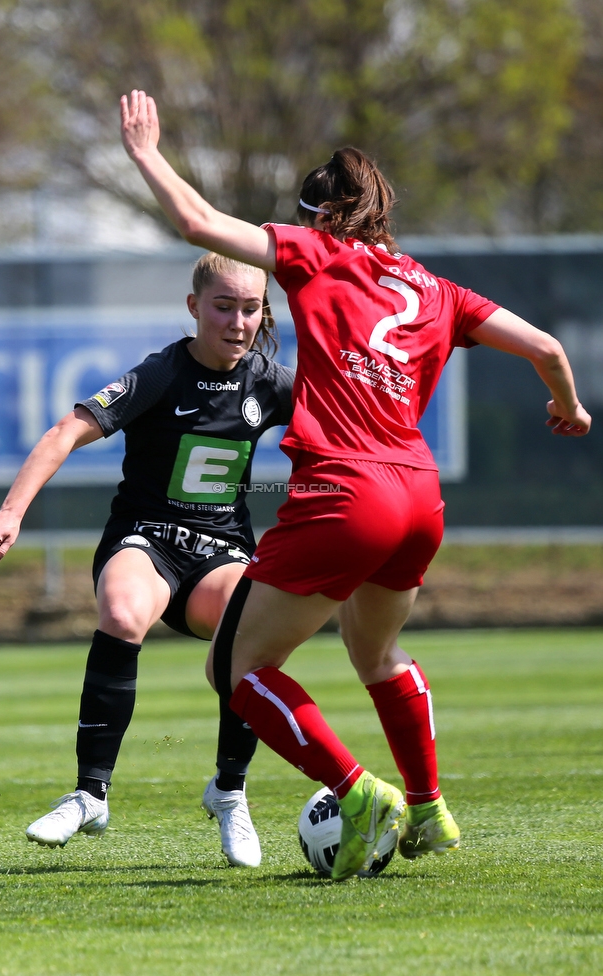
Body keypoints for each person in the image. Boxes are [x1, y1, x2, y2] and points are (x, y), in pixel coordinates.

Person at [120, 89, 591, 881]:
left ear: (316, 216)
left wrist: (145, 155)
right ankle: (430, 805)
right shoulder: (439, 291)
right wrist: (568, 405)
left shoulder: (316, 253)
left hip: (347, 493)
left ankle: (355, 790)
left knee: (233, 671)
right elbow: (544, 343)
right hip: (420, 495)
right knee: (377, 651)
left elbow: (200, 225)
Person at [0, 251, 295, 868]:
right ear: (194, 307)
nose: (237, 321)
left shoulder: (271, 383)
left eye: (250, 308)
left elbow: (349, 430)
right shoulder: (160, 375)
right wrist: (11, 512)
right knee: (121, 614)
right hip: (146, 538)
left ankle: (230, 791)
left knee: (245, 630)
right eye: (223, 306)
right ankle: (90, 792)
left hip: (221, 551)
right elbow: (65, 430)